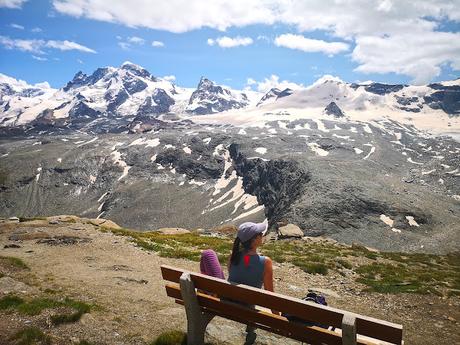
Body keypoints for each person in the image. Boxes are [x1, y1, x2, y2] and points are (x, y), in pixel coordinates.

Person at [227, 220, 278, 345]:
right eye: (260, 234)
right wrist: (278, 318)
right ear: (254, 240)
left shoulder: (233, 257)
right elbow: (270, 295)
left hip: (228, 305)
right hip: (248, 309)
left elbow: (242, 269)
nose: (262, 235)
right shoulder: (265, 262)